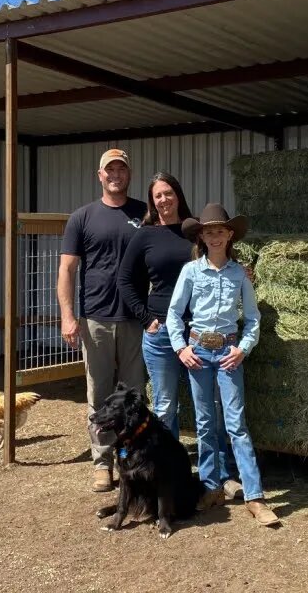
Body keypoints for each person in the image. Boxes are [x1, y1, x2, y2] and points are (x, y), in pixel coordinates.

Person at [117, 173, 242, 498]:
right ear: (151, 200)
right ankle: (165, 475)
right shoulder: (145, 236)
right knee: (165, 407)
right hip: (160, 335)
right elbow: (125, 280)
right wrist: (146, 320)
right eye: (157, 195)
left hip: (200, 335)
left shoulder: (195, 231)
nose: (163, 200)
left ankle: (220, 475)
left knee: (210, 407)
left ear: (177, 195)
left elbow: (224, 258)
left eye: (168, 193)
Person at [165, 203, 279, 526]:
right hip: (198, 351)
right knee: (204, 423)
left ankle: (255, 497)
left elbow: (253, 319)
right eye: (208, 231)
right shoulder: (190, 272)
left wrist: (242, 349)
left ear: (229, 235)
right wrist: (181, 348)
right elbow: (175, 314)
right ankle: (211, 487)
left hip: (229, 352)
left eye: (219, 231)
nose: (214, 236)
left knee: (235, 423)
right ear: (201, 236)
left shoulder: (239, 275)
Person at [58, 148, 148, 493]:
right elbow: (67, 269)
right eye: (109, 170)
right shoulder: (82, 217)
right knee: (99, 395)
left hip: (135, 319)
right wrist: (68, 316)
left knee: (135, 394)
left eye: (121, 169)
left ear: (129, 174)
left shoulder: (144, 213)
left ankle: (134, 458)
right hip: (95, 318)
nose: (115, 175)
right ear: (99, 176)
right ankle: (102, 463)